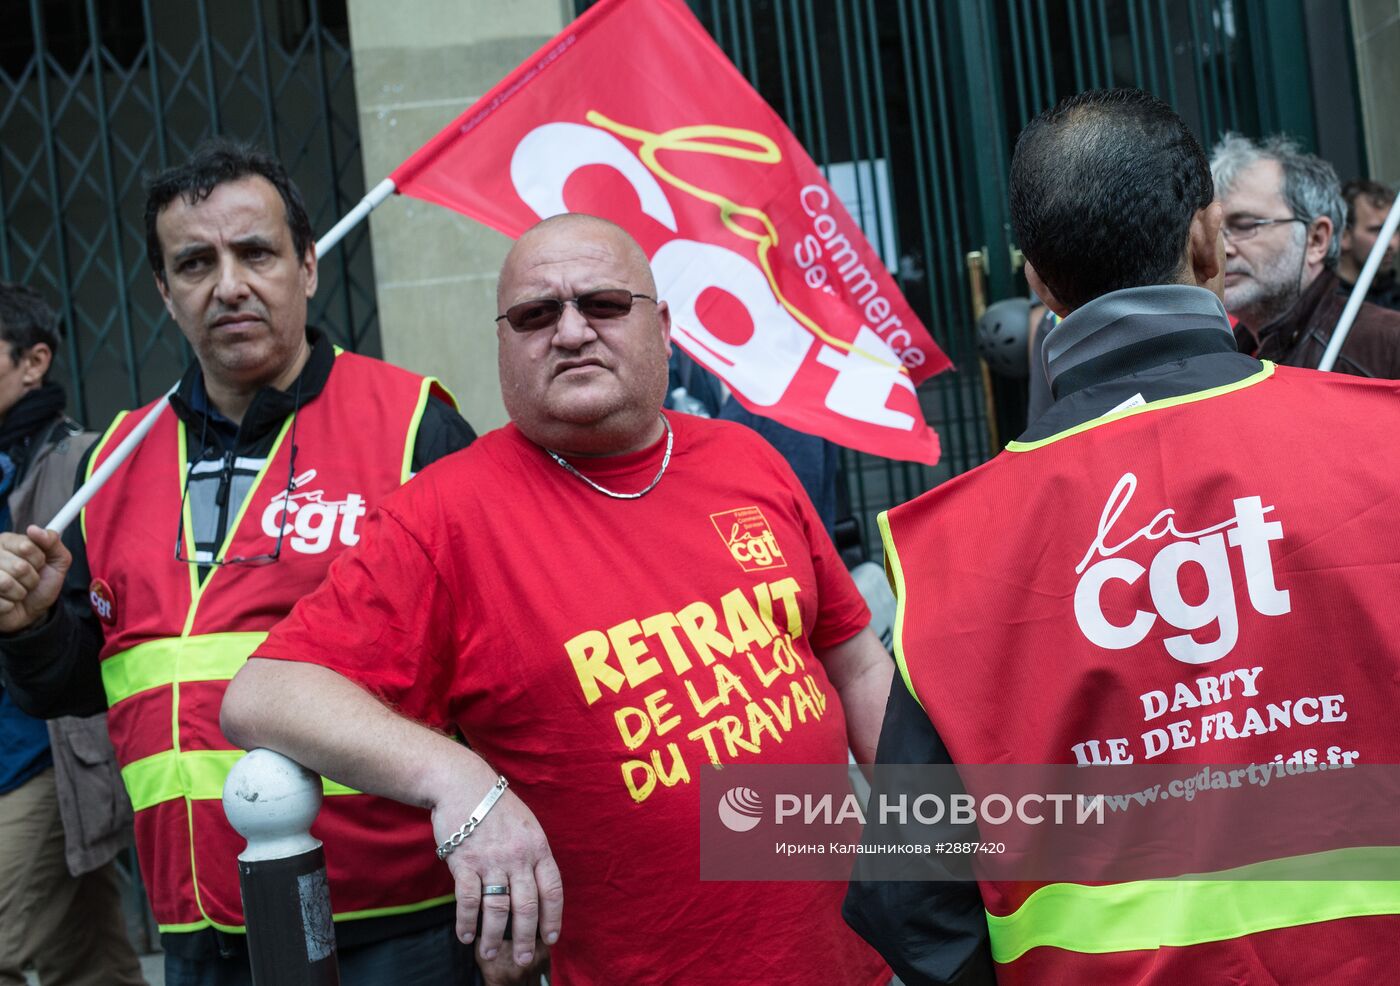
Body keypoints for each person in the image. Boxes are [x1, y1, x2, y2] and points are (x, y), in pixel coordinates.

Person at [219, 213, 894, 986]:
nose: (572, 332)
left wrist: (947, 854)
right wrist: (459, 782)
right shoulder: (446, 516)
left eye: (603, 304)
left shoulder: (750, 460)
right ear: (503, 344)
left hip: (855, 962)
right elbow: (264, 692)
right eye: (536, 315)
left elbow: (855, 663)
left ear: (663, 326)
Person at [845, 88, 1400, 984]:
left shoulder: (947, 555)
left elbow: (913, 902)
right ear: (1208, 237)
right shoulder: (1386, 445)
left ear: (1032, 278)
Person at [0, 141, 478, 985]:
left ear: (308, 266)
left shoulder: (413, 426)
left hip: (390, 919)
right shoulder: (110, 461)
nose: (228, 285)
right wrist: (34, 627)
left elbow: (491, 665)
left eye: (255, 252)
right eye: (194, 263)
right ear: (164, 292)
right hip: (197, 923)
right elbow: (80, 688)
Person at [0, 284, 145, 986]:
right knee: (86, 959)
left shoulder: (88, 463)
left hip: (46, 760)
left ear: (34, 362)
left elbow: (110, 615)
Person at [1211, 133, 1400, 374]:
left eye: (1246, 225)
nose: (1223, 248)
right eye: (1215, 231)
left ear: (1316, 240)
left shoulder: (1386, 347)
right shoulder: (1225, 352)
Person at [1338, 178, 1400, 311]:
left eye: (1395, 230)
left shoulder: (1395, 297)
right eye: (1377, 230)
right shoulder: (1326, 305)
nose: (1392, 243)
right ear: (1344, 236)